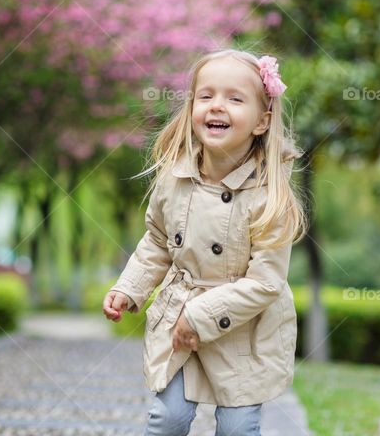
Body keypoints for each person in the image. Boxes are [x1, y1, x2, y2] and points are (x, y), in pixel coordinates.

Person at [103, 49, 308, 436]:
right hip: (179, 319)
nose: (217, 106)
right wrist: (129, 288)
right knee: (169, 419)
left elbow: (266, 282)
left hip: (242, 332)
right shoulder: (175, 179)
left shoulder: (270, 198)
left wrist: (201, 316)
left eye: (235, 98)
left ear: (262, 121)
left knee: (236, 428)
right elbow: (157, 242)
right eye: (206, 96)